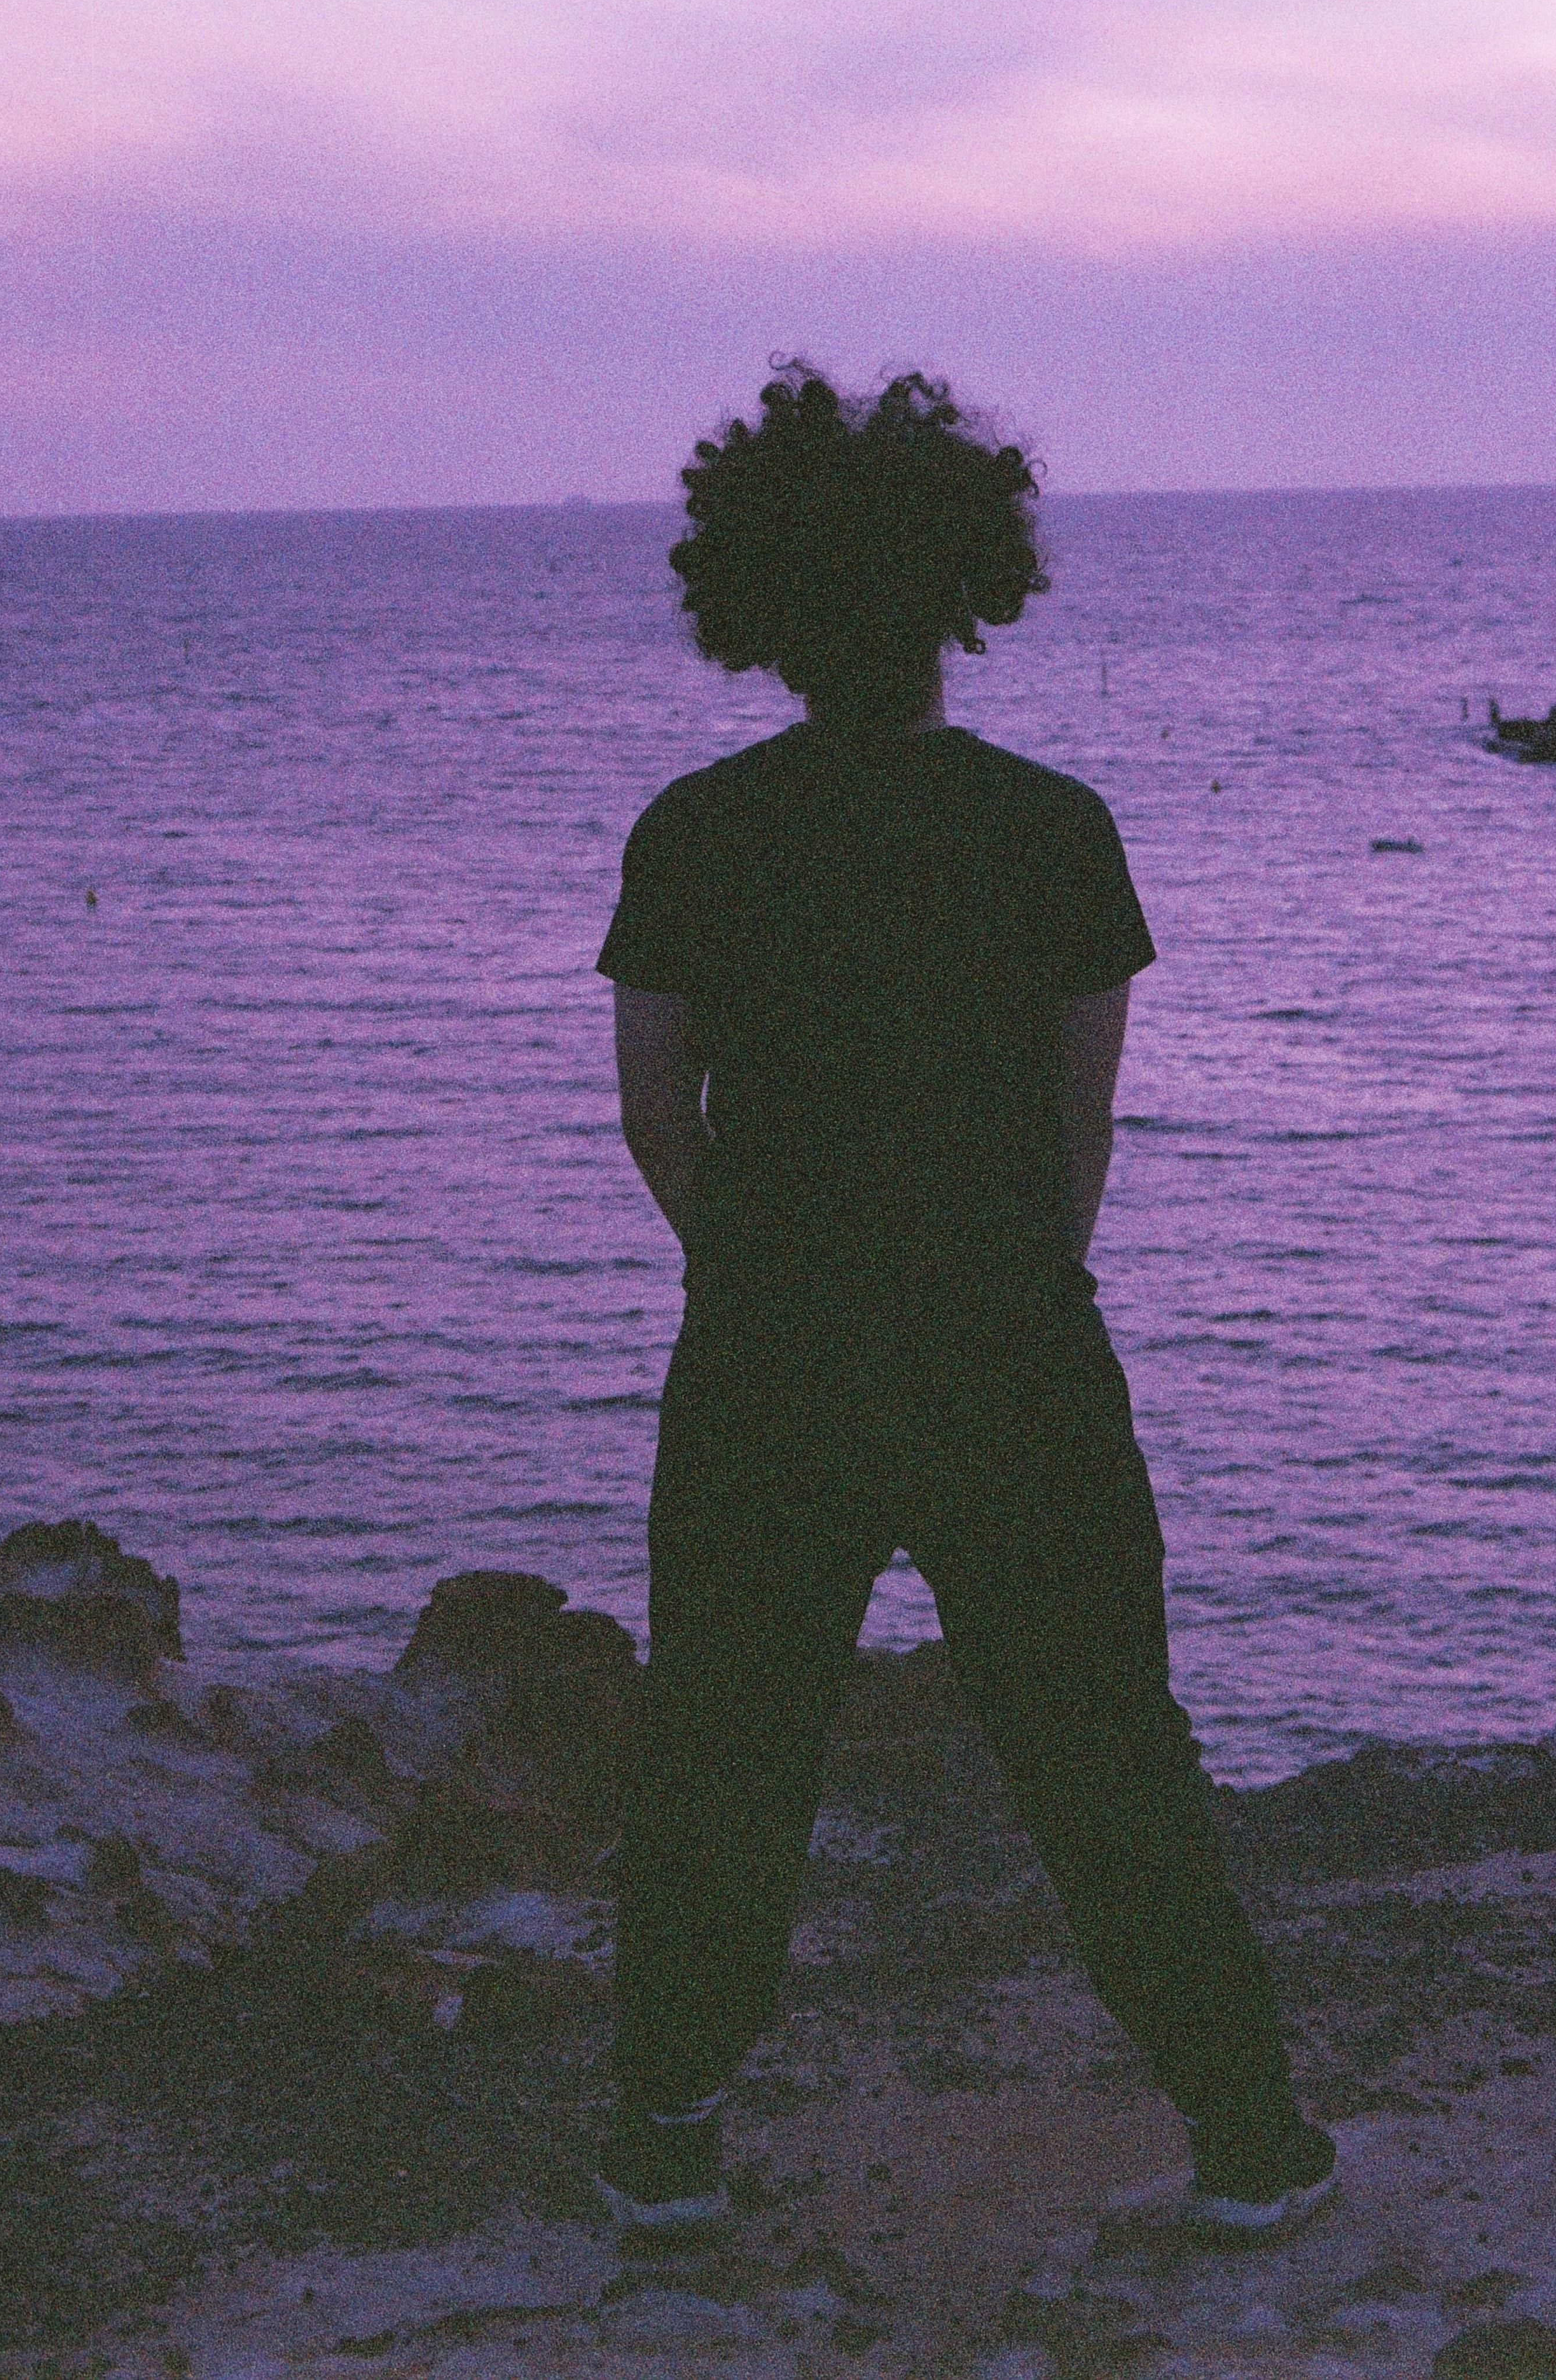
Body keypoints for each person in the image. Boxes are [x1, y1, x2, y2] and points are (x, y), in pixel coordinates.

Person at [593, 365, 1335, 2241]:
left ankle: (664, 2137)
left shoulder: (695, 831)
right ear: (958, 594)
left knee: (726, 1748)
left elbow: (652, 1115)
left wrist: (755, 1263)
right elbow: (1076, 1126)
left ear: (755, 602)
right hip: (1011, 1347)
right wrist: (1008, 1270)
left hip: (770, 1354)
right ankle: (1249, 2139)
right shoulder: (1049, 827)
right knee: (1104, 1746)